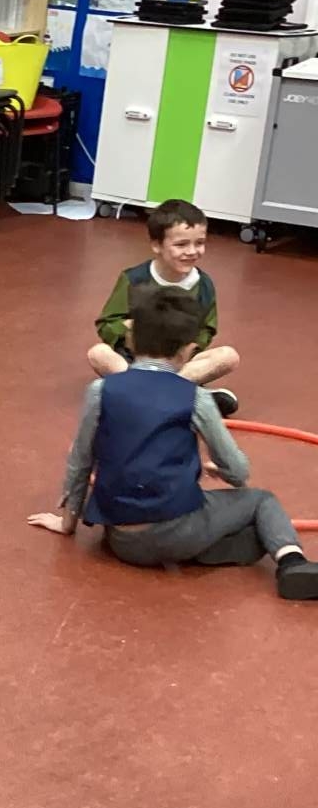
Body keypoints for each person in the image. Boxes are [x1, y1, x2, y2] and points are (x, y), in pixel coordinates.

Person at [29, 289, 318, 600]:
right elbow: (239, 472)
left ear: (131, 339)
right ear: (188, 350)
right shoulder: (197, 398)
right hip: (179, 529)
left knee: (228, 532)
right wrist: (221, 470)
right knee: (261, 502)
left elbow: (80, 460)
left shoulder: (100, 390)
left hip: (122, 540)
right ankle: (291, 562)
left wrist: (68, 522)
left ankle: (209, 546)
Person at [89, 199, 240, 414]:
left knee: (228, 356)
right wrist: (130, 330)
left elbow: (207, 329)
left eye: (199, 243)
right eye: (181, 245)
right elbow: (107, 323)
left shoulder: (204, 285)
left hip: (180, 361)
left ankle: (145, 394)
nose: (192, 251)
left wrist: (187, 346)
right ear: (157, 245)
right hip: (136, 360)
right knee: (98, 353)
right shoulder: (134, 279)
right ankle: (187, 396)